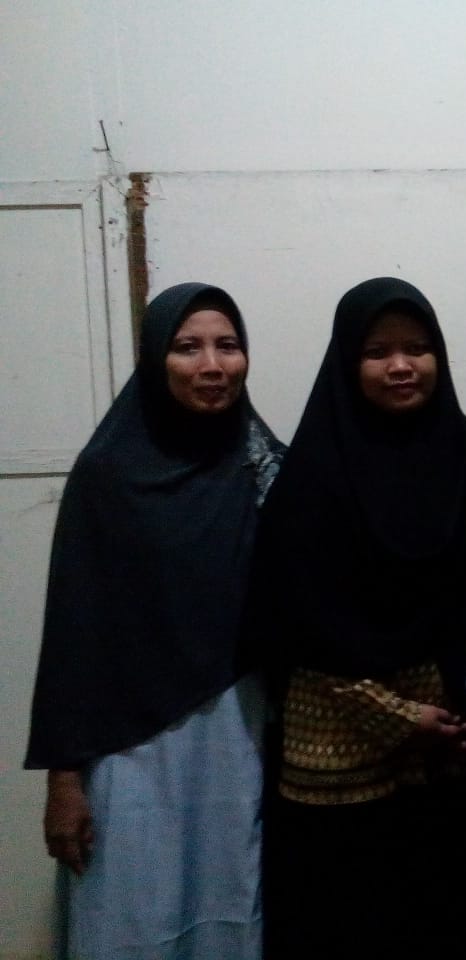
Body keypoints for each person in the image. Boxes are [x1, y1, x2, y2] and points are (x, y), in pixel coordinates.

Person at [25, 282, 284, 959]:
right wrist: (63, 779)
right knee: (131, 906)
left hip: (238, 731)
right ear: (154, 359)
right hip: (129, 745)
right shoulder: (107, 475)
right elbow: (73, 630)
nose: (212, 365)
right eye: (187, 347)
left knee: (232, 899)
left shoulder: (262, 470)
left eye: (228, 346)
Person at [250, 277, 466, 959]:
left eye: (417, 348)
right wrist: (398, 715)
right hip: (341, 748)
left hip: (456, 746)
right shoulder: (311, 479)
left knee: (453, 918)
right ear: (346, 361)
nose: (401, 365)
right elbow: (293, 623)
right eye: (377, 351)